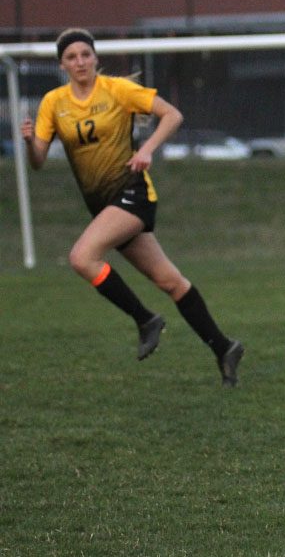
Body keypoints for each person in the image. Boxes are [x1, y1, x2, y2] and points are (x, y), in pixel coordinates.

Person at [20, 28, 244, 387]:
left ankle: (145, 320)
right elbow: (38, 162)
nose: (80, 62)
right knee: (171, 282)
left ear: (95, 58)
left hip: (132, 195)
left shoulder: (117, 90)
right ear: (61, 64)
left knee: (81, 257)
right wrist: (31, 142)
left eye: (85, 54)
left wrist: (147, 149)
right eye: (71, 57)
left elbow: (172, 114)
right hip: (104, 206)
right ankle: (224, 347)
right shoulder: (53, 103)